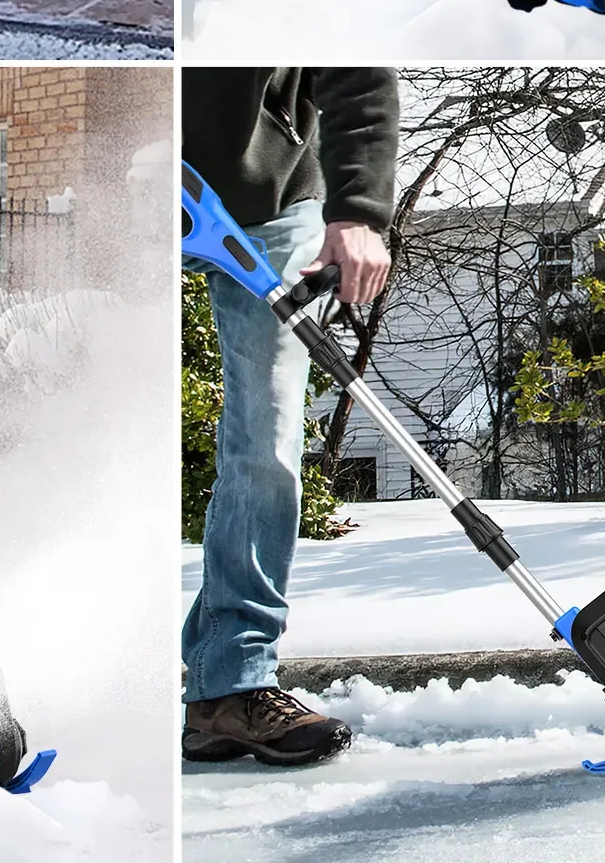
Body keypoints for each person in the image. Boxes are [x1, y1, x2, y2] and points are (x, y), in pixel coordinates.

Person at [181, 67, 399, 766]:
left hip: (269, 204)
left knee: (265, 446)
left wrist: (359, 209)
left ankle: (232, 686)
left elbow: (358, 72)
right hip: (141, 179)